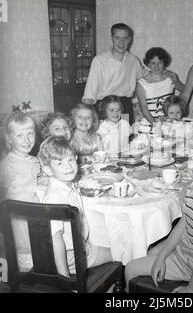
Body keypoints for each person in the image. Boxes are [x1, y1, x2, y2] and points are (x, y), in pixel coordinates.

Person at [124, 130, 193, 293]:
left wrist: (192, 288)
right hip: (188, 249)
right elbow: (183, 223)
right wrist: (160, 257)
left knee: (130, 268)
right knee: (151, 251)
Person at [38, 136, 112, 277]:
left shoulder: (66, 186)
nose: (68, 166)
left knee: (114, 238)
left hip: (80, 247)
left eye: (70, 159)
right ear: (47, 170)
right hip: (71, 257)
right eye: (59, 163)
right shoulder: (54, 198)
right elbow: (56, 239)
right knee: (123, 252)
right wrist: (65, 278)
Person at [0, 112, 41, 271]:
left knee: (37, 244)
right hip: (19, 216)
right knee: (25, 247)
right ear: (9, 139)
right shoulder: (8, 165)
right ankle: (24, 275)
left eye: (30, 134)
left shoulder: (32, 159)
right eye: (20, 135)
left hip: (34, 210)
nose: (27, 140)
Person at [82, 23, 143, 125]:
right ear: (112, 38)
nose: (121, 42)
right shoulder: (99, 61)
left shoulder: (134, 61)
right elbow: (90, 93)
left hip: (125, 106)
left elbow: (143, 81)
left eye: (125, 38)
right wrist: (85, 115)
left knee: (124, 137)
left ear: (129, 39)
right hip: (104, 106)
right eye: (117, 38)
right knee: (105, 138)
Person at [136, 47, 184, 126]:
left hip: (171, 122)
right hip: (150, 123)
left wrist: (176, 81)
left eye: (160, 63)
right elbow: (144, 108)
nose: (156, 66)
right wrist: (156, 125)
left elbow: (184, 91)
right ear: (148, 64)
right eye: (153, 63)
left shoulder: (170, 78)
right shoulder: (141, 84)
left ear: (164, 63)